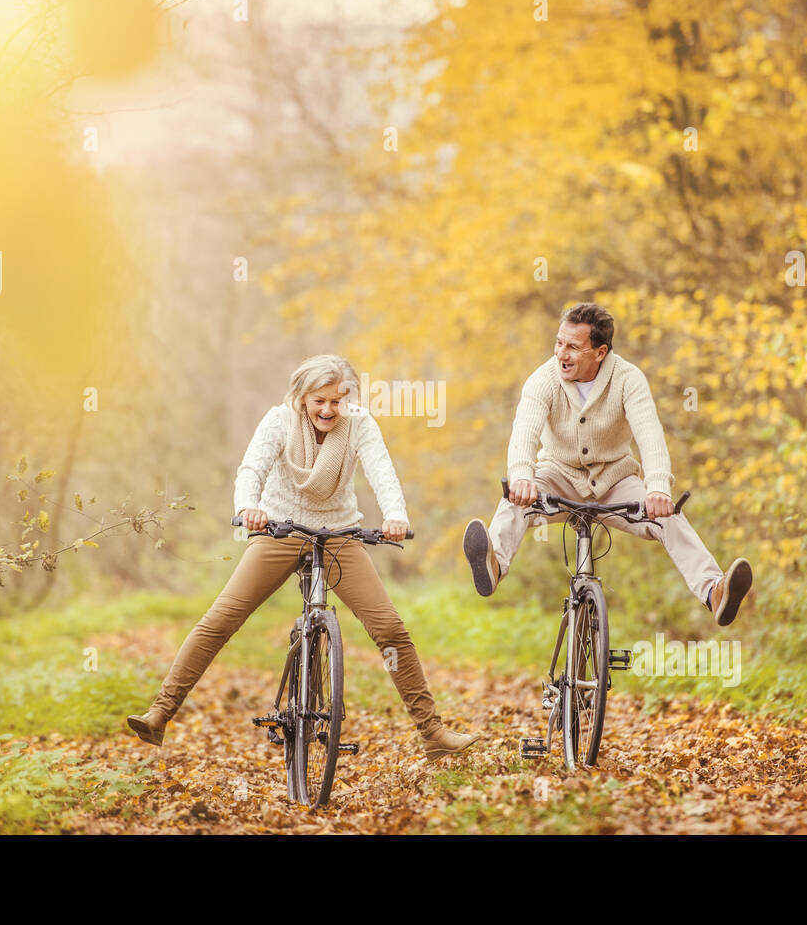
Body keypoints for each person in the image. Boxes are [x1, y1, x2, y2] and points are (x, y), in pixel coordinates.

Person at [127, 354, 479, 762]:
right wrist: (248, 507)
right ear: (301, 399)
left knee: (390, 628)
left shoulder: (360, 424)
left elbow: (382, 471)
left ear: (348, 398)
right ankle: (160, 714)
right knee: (221, 619)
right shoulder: (278, 421)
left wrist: (396, 515)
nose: (329, 410)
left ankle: (433, 733)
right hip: (279, 529)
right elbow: (251, 469)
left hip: (340, 534)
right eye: (319, 402)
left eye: (337, 401)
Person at [462, 302, 753, 624]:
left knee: (670, 517)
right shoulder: (542, 380)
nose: (562, 354)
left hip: (616, 481)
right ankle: (495, 565)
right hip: (556, 475)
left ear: (600, 352)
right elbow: (524, 434)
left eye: (573, 347)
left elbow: (650, 436)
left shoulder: (629, 379)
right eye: (559, 343)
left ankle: (713, 590)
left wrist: (658, 489)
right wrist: (521, 477)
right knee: (513, 503)